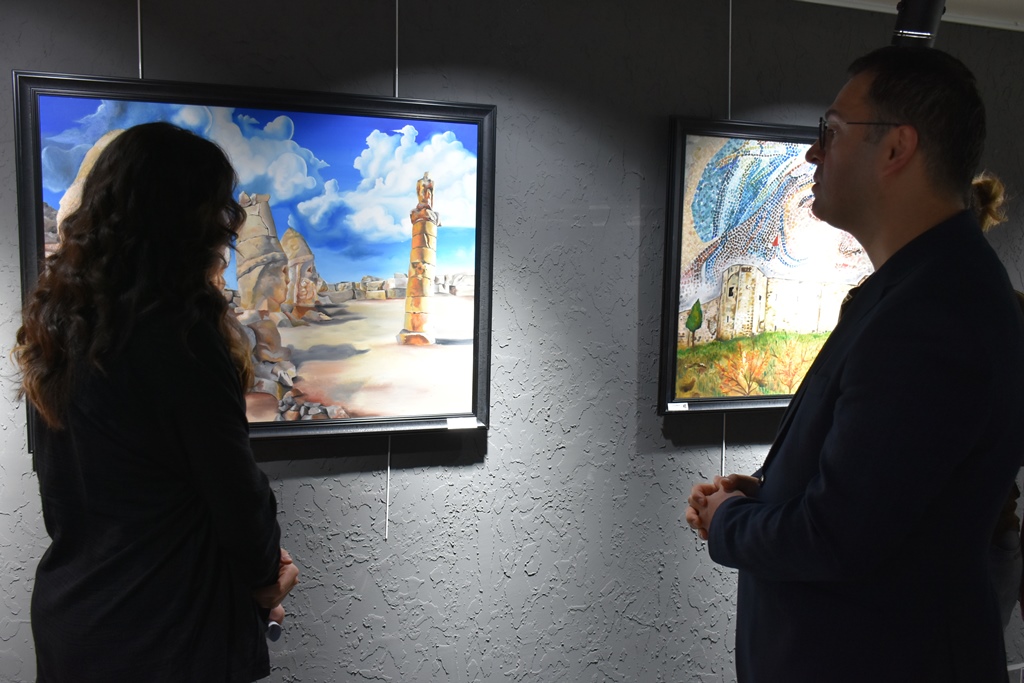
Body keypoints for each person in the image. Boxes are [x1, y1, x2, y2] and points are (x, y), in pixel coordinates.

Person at [685, 46, 1024, 682]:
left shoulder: (932, 311)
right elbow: (889, 496)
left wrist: (727, 521)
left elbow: (839, 536)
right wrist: (765, 495)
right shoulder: (917, 288)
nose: (813, 153)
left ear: (896, 148)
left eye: (832, 132)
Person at [14, 122, 299, 682]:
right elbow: (236, 498)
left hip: (77, 620)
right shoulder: (181, 339)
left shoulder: (59, 330)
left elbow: (73, 496)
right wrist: (267, 573)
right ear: (191, 226)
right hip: (168, 633)